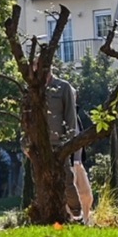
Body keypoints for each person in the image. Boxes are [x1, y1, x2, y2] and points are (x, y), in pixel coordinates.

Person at [27, 60, 82, 217]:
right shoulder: (32, 90)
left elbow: (71, 117)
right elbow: (26, 118)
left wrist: (69, 142)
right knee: (42, 182)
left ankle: (77, 213)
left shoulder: (63, 87)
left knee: (66, 180)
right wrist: (26, 143)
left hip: (59, 144)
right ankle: (50, 215)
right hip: (38, 145)